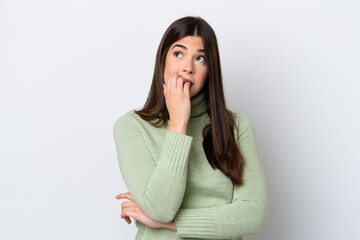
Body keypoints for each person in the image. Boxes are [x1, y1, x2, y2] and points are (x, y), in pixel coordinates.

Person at [113, 16, 268, 239]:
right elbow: (160, 208)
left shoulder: (237, 128)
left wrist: (170, 224)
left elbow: (253, 215)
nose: (188, 67)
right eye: (178, 54)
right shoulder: (131, 127)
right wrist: (178, 122)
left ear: (210, 70)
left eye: (200, 58)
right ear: (162, 61)